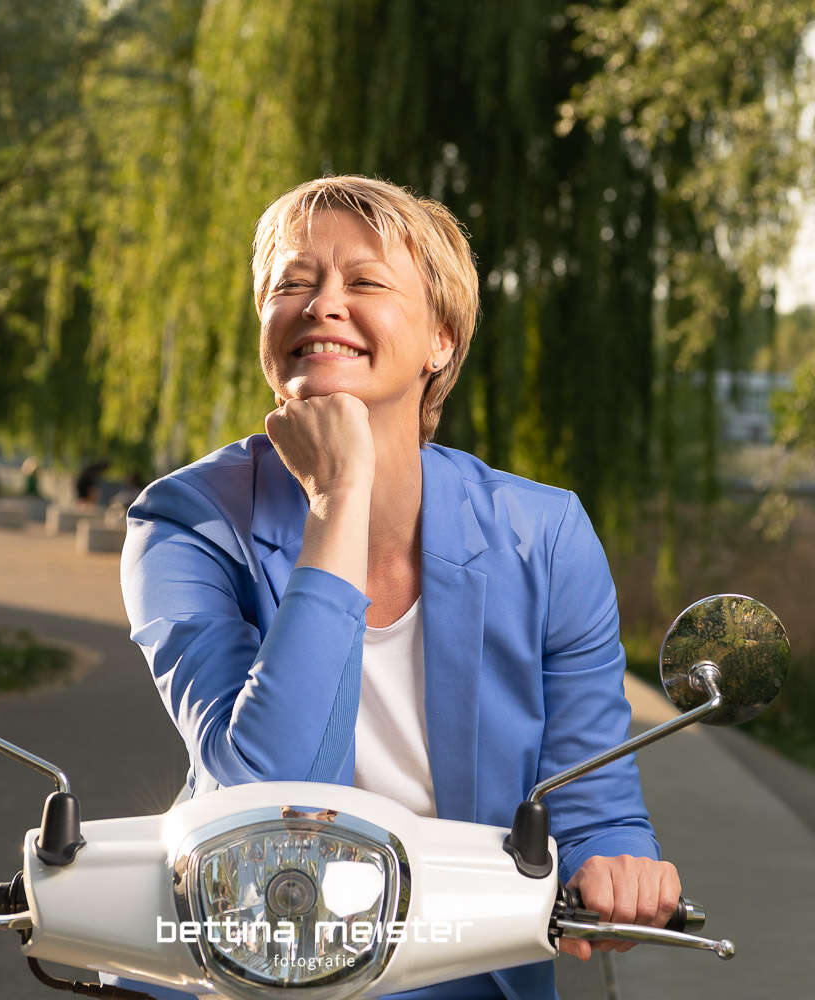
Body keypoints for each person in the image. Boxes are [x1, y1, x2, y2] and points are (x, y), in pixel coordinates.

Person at [119, 176, 680, 999]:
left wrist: (617, 865)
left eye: (366, 282)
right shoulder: (185, 521)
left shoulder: (545, 535)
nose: (323, 304)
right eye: (293, 283)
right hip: (246, 960)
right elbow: (262, 798)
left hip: (467, 965)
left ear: (440, 340)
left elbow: (593, 801)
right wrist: (337, 500)